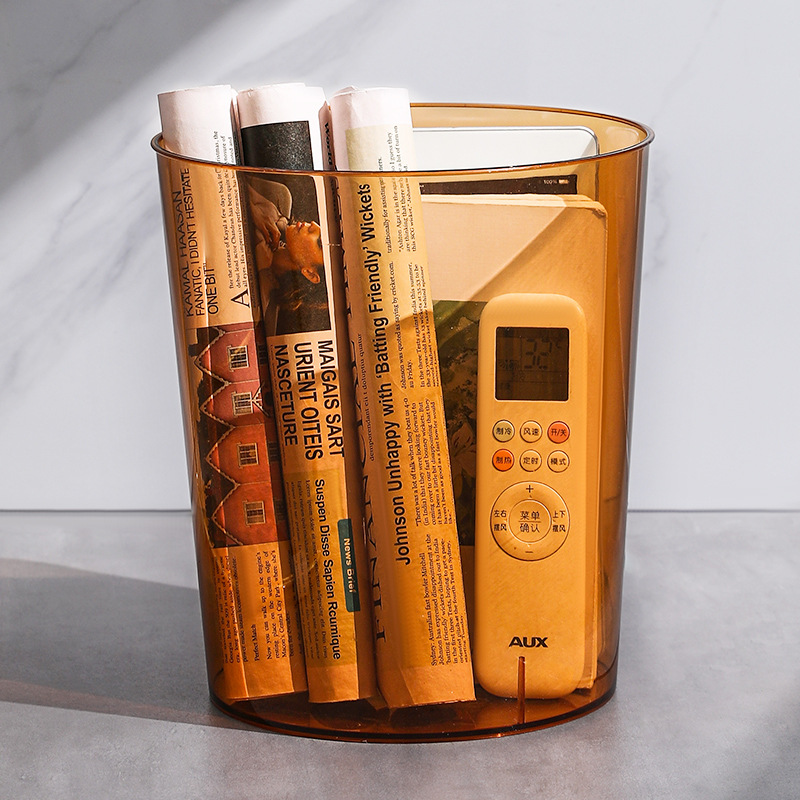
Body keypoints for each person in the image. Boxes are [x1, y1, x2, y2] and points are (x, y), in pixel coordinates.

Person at [246, 179, 330, 335]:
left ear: (310, 273)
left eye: (320, 242)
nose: (314, 225)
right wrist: (250, 208)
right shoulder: (277, 201)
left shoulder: (261, 304)